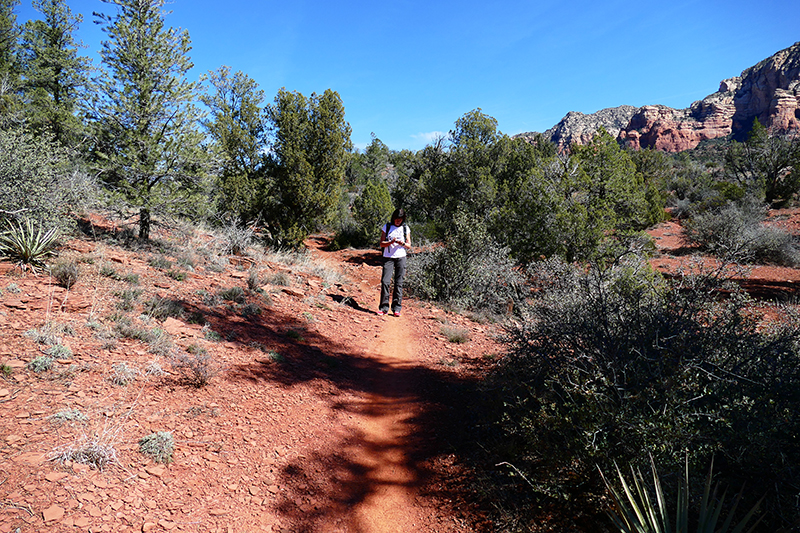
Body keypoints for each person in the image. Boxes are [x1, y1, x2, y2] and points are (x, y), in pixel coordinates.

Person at [378, 208, 411, 316]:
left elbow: (409, 245)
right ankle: (383, 307)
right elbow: (382, 243)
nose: (398, 221)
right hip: (388, 257)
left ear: (403, 219)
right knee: (385, 282)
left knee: (399, 283)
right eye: (396, 219)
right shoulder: (387, 227)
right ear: (393, 218)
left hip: (401, 257)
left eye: (400, 219)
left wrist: (402, 243)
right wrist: (390, 242)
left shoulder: (405, 228)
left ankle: (397, 308)